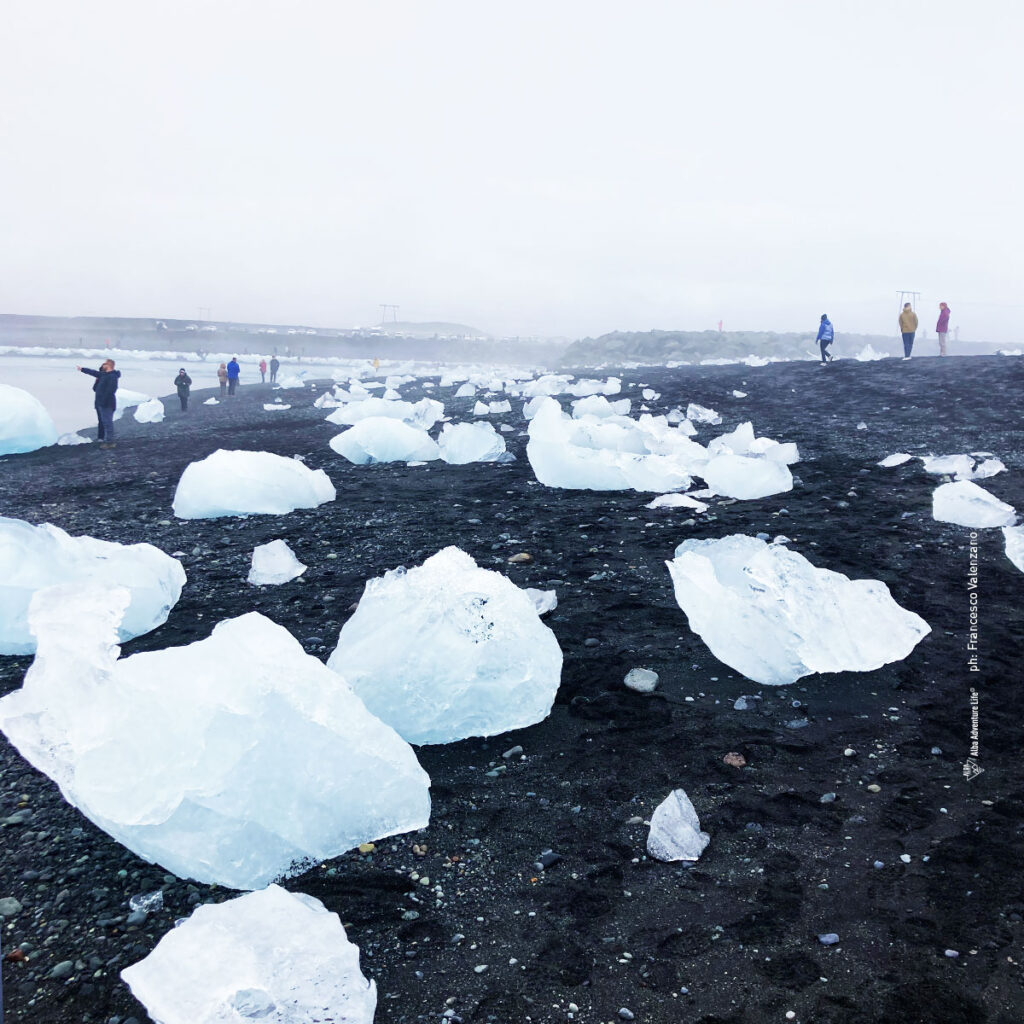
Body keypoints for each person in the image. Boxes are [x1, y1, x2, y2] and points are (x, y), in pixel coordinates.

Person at [77, 359, 121, 448]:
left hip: (107, 403)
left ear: (108, 365)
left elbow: (111, 390)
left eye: (104, 364)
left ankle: (110, 442)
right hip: (101, 403)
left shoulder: (112, 376)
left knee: (107, 422)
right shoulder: (104, 374)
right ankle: (105, 439)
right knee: (104, 422)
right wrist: (82, 369)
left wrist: (104, 401)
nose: (102, 365)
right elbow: (93, 372)